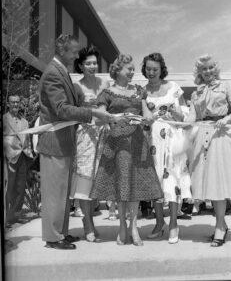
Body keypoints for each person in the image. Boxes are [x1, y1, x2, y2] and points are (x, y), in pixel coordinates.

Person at [37, 34, 111, 250]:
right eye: (74, 51)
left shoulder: (62, 72)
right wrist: (92, 113)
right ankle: (53, 238)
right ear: (62, 51)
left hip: (65, 141)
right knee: (54, 193)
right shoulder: (53, 73)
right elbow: (60, 109)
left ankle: (61, 232)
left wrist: (92, 108)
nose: (77, 55)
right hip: (54, 141)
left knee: (62, 192)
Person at [90, 54, 163, 246]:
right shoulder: (108, 92)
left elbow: (146, 113)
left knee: (135, 184)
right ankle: (122, 225)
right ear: (117, 69)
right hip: (117, 142)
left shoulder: (139, 91)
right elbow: (98, 118)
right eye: (129, 68)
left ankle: (133, 227)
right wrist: (114, 117)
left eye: (132, 69)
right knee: (122, 184)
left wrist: (149, 118)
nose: (132, 72)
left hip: (138, 141)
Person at [185, 54, 231, 247]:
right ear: (199, 71)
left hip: (222, 135)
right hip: (203, 136)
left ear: (215, 69)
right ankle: (221, 224)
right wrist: (181, 123)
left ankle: (220, 227)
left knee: (219, 182)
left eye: (210, 68)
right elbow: (192, 117)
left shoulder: (226, 86)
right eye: (203, 69)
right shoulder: (196, 93)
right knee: (211, 184)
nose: (207, 72)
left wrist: (226, 119)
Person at [142, 52, 192, 244]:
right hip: (153, 140)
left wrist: (175, 112)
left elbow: (183, 118)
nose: (152, 72)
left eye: (155, 69)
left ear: (161, 69)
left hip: (172, 138)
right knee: (156, 181)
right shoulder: (143, 91)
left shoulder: (174, 87)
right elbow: (145, 118)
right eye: (148, 69)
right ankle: (158, 222)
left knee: (172, 180)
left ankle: (173, 224)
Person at [68, 45, 110, 243]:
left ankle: (91, 218)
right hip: (85, 135)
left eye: (94, 63)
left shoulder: (106, 83)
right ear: (81, 66)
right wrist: (88, 109)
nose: (92, 66)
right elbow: (72, 111)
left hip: (105, 134)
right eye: (88, 63)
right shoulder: (76, 87)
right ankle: (88, 222)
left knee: (99, 178)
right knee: (85, 179)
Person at [3, 94, 34, 224]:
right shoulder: (4, 119)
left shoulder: (25, 121)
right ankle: (6, 217)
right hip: (8, 157)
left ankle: (15, 215)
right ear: (8, 104)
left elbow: (27, 139)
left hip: (22, 156)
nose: (15, 105)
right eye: (13, 102)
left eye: (17, 102)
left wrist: (31, 152)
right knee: (8, 187)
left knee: (20, 187)